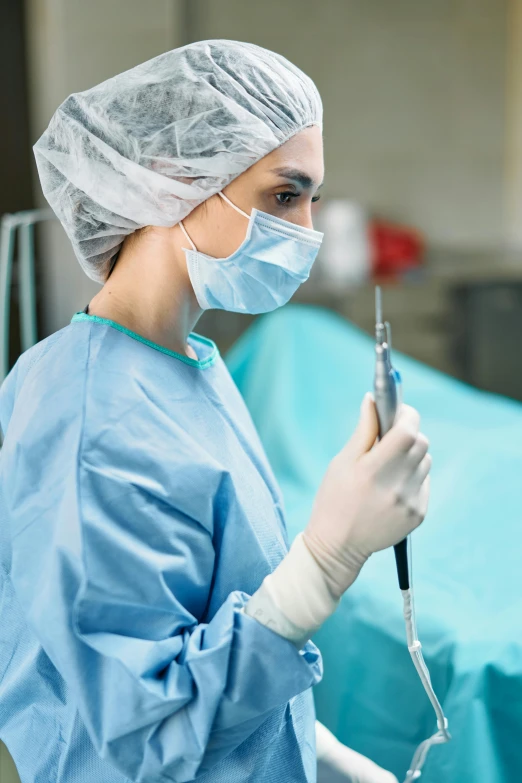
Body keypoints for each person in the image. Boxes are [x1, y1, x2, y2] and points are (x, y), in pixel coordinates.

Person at [0, 40, 431, 783]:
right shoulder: (87, 423)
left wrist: (313, 750)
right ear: (172, 178)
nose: (305, 231)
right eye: (283, 195)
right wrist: (326, 560)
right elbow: (144, 732)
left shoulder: (188, 362)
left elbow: (212, 615)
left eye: (311, 200)